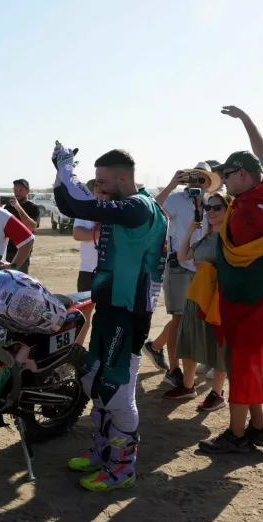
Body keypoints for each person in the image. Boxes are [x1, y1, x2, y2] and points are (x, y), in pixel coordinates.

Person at [54, 144, 167, 492]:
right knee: (93, 382)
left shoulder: (139, 206)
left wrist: (67, 170)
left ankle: (122, 468)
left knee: (117, 391)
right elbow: (70, 204)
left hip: (129, 314)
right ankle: (102, 452)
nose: (98, 188)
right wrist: (59, 172)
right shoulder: (123, 206)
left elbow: (83, 202)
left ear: (122, 177)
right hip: (110, 308)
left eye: (102, 181)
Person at [199, 138, 263, 453]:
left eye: (227, 175)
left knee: (241, 367)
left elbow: (239, 260)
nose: (224, 182)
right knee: (250, 367)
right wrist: (244, 118)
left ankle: (236, 435)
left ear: (242, 174)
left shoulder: (246, 211)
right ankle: (258, 428)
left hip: (249, 306)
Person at [144, 164, 210, 392]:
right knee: (179, 319)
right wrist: (173, 183)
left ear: (209, 182)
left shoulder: (213, 203)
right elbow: (152, 209)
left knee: (196, 319)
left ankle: (155, 347)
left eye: (202, 179)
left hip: (203, 268)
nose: (196, 183)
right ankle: (173, 370)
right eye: (193, 178)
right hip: (179, 266)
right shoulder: (175, 199)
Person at [174, 192, 233, 410]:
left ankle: (217, 394)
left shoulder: (232, 240)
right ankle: (188, 386)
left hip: (218, 299)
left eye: (217, 207)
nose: (211, 211)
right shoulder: (206, 238)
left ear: (229, 210)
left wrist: (211, 268)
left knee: (219, 346)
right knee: (189, 340)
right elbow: (182, 256)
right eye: (208, 207)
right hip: (197, 297)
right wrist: (190, 229)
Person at [72, 178, 103, 346]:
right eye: (97, 186)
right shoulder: (85, 211)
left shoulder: (118, 209)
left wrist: (91, 233)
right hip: (88, 271)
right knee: (84, 315)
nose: (100, 189)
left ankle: (100, 353)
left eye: (103, 185)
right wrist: (99, 232)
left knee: (106, 317)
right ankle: (77, 351)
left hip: (111, 272)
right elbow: (77, 234)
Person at [0, 179, 40, 274]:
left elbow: (31, 227)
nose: (17, 193)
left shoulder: (33, 207)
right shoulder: (8, 207)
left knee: (19, 282)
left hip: (22, 252)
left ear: (28, 191)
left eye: (20, 190)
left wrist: (18, 207)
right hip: (6, 251)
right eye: (15, 190)